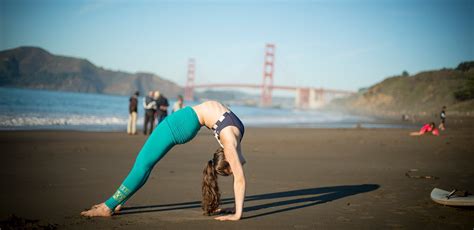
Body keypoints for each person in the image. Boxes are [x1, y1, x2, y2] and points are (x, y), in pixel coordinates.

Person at [81, 101, 246, 221]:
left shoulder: (232, 140)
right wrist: (237, 206)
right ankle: (118, 202)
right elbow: (239, 171)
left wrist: (237, 214)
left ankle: (107, 207)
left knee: (142, 165)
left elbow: (239, 178)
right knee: (145, 165)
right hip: (186, 123)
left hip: (180, 124)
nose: (237, 165)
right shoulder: (232, 146)